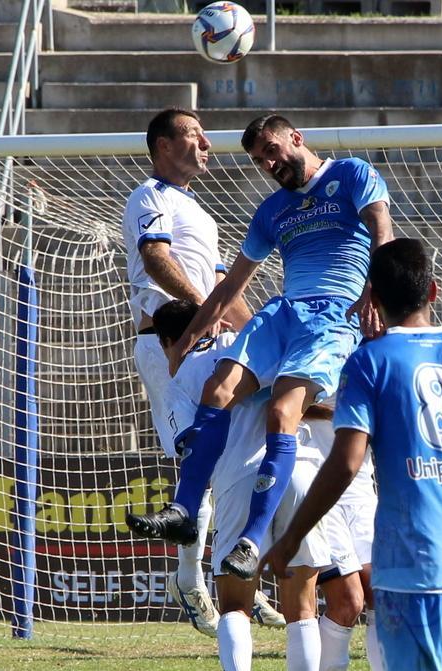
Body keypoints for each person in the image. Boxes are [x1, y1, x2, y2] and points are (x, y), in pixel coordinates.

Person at [262, 238, 442, 671]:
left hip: (409, 566)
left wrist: (291, 538)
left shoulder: (369, 362)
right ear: (434, 291)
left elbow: (347, 462)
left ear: (374, 299)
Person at [132, 113, 394, 584]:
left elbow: (382, 231)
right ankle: (185, 509)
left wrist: (377, 289)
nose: (268, 164)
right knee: (218, 388)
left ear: (297, 137)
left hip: (334, 315)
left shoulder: (351, 173)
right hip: (283, 312)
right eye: (258, 160)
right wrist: (185, 341)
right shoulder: (272, 210)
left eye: (271, 151)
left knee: (281, 413)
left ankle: (253, 540)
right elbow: (230, 286)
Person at [120, 107, 255, 635]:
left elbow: (228, 294)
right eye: (194, 135)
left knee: (229, 460)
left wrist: (262, 333)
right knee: (197, 457)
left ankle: (236, 579)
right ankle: (189, 580)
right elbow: (155, 258)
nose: (206, 144)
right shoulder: (148, 197)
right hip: (168, 345)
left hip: (209, 344)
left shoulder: (201, 212)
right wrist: (203, 312)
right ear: (162, 146)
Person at [153, 300, 329, 670]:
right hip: (296, 471)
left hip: (239, 481)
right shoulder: (250, 344)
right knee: (302, 607)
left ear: (169, 340)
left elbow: (192, 449)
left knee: (235, 606)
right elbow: (291, 399)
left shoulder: (181, 379)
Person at [299, 403, 382, 671]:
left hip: (362, 492)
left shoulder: (372, 362)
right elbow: (281, 402)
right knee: (348, 601)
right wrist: (339, 413)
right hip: (318, 488)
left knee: (383, 598)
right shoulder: (303, 359)